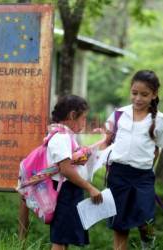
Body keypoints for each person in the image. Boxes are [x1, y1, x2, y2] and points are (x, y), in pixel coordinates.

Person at [104, 70, 163, 250]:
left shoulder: (159, 120)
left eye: (144, 94)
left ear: (154, 94)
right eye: (134, 93)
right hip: (118, 175)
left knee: (146, 221)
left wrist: (145, 170)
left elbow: (156, 150)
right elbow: (105, 142)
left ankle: (148, 247)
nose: (138, 98)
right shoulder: (119, 115)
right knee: (120, 224)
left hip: (143, 177)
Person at [48, 94, 103, 250]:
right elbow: (65, 169)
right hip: (65, 192)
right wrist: (90, 187)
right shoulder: (60, 137)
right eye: (83, 118)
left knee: (64, 237)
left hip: (70, 191)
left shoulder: (66, 136)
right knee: (60, 238)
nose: (85, 123)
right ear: (72, 115)